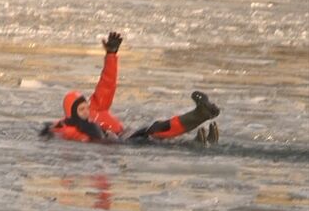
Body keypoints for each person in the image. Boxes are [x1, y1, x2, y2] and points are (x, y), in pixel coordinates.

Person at [40, 32, 220, 143]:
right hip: (122, 143)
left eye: (86, 105)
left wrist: (111, 55)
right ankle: (199, 118)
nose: (86, 110)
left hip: (126, 135)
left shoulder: (96, 108)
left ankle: (200, 116)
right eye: (81, 109)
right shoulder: (70, 127)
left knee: (156, 130)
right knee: (156, 130)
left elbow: (107, 83)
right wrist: (52, 129)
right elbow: (66, 133)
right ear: (71, 113)